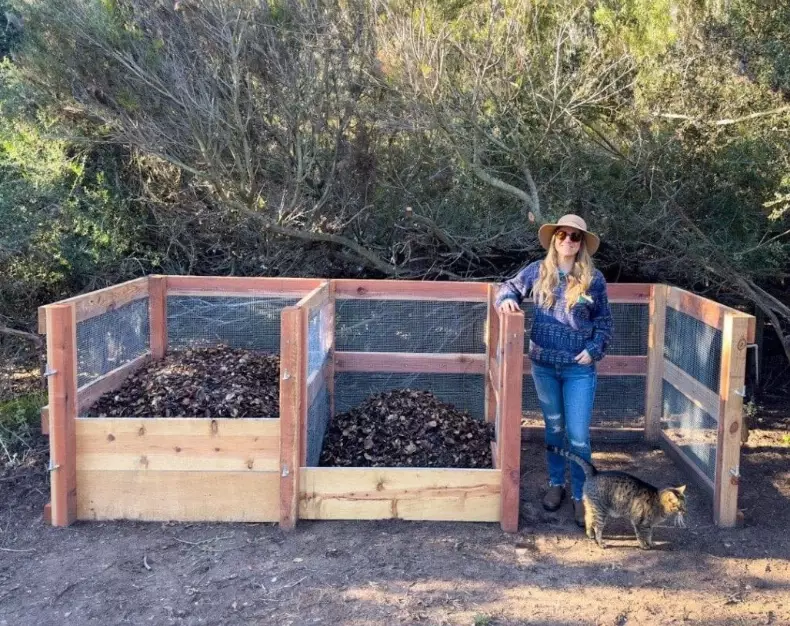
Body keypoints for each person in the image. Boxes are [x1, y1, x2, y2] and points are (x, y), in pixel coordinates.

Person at [496, 214, 613, 527]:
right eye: (562, 235)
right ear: (553, 238)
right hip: (544, 366)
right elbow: (506, 287)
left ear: (581, 244)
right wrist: (507, 299)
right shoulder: (538, 271)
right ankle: (556, 484)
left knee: (578, 436)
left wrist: (593, 350)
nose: (567, 241)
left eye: (575, 237)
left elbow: (604, 323)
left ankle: (582, 495)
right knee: (554, 429)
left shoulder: (594, 278)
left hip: (578, 370)